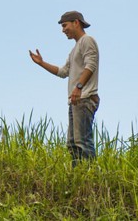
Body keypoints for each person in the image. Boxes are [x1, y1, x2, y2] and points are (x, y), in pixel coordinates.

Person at [29, 11, 100, 165]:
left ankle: (91, 177)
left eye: (64, 25)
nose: (63, 30)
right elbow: (63, 72)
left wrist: (78, 87)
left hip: (85, 97)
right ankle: (79, 177)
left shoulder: (87, 40)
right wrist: (42, 63)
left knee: (83, 143)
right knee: (73, 144)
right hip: (76, 100)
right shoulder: (74, 49)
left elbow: (91, 65)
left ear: (76, 22)